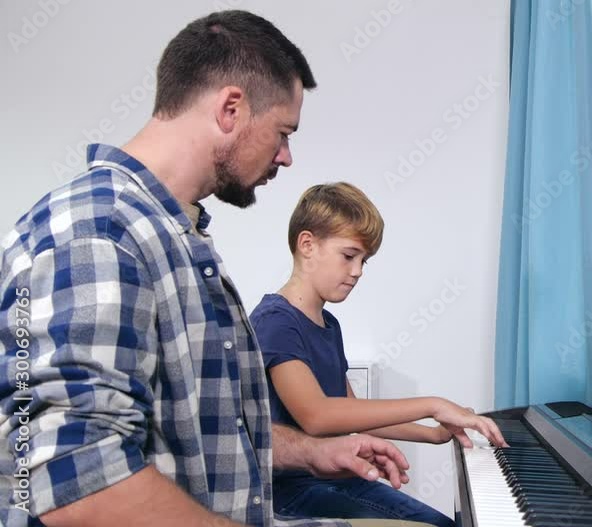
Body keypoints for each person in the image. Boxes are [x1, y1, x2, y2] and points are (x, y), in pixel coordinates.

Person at [0, 10, 418, 527]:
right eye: (283, 132)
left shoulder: (172, 235)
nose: (286, 157)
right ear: (231, 109)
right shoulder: (97, 234)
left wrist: (308, 453)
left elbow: (204, 443)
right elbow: (78, 484)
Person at [250, 183, 508, 526]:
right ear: (307, 244)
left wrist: (433, 433)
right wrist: (433, 404)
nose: (357, 271)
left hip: (336, 479)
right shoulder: (276, 321)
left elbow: (354, 413)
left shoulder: (328, 324)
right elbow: (317, 415)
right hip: (293, 493)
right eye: (349, 256)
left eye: (364, 261)